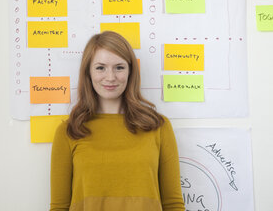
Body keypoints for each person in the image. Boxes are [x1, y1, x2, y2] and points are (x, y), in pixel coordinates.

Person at [50, 31, 185, 211]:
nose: (111, 77)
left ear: (130, 71)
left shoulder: (158, 127)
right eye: (100, 68)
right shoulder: (69, 131)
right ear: (88, 72)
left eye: (119, 67)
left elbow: (173, 205)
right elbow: (59, 207)